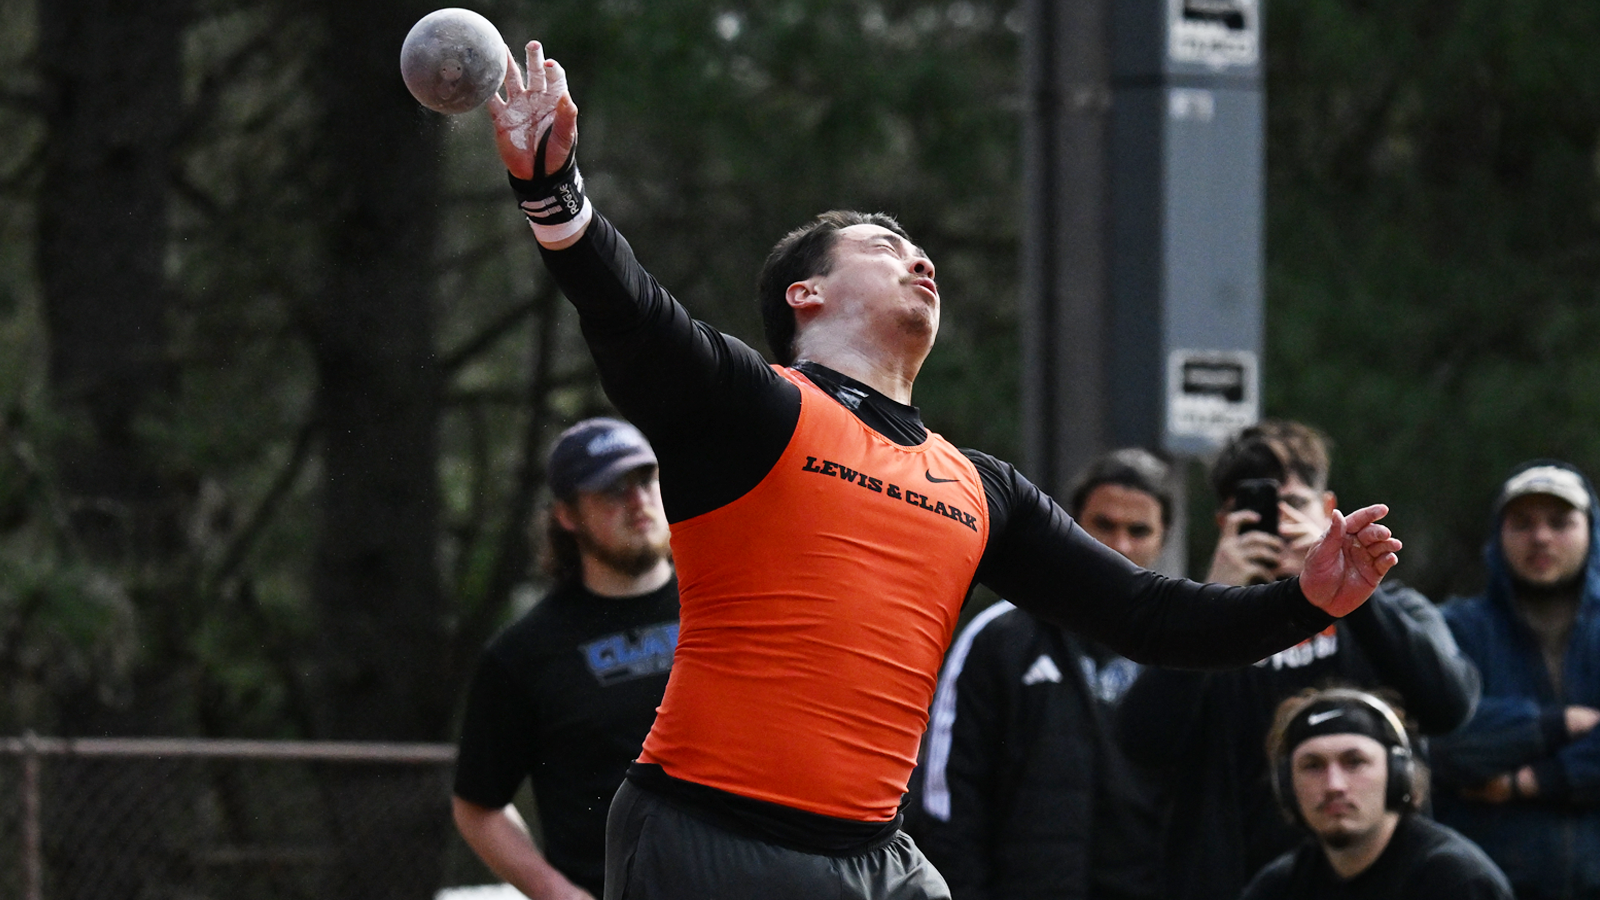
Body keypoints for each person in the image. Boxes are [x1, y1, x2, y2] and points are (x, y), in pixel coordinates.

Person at [480, 43, 1404, 900]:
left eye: (919, 249)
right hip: (714, 839)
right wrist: (552, 191)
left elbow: (1149, 615)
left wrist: (1305, 601)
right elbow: (631, 315)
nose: (918, 257)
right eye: (882, 247)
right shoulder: (754, 409)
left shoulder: (976, 485)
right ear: (806, 294)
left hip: (878, 858)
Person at [1115, 420, 1479, 900]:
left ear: (1328, 508)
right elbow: (1141, 741)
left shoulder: (1395, 611)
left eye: (1296, 505)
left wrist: (1351, 589)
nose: (1282, 524)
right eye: (1258, 512)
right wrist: (1213, 603)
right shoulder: (1199, 625)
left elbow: (1449, 708)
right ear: (1224, 524)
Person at [910, 448, 1174, 900]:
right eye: (1104, 525)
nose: (1121, 544)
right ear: (1071, 526)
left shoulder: (1182, 648)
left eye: (1139, 530)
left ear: (1163, 538)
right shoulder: (998, 638)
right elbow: (945, 796)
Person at [452, 418, 678, 900]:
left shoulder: (730, 604)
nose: (637, 500)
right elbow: (478, 807)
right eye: (612, 489)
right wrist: (555, 892)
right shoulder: (524, 653)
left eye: (644, 480)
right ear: (568, 516)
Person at [1429, 460, 1600, 900]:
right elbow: (1445, 738)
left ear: (1590, 530)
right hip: (1488, 884)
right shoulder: (1455, 629)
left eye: (1560, 522)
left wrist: (1531, 781)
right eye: (1522, 523)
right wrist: (1557, 724)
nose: (1540, 536)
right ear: (1498, 534)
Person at [1239, 687, 1512, 899]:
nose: (1334, 785)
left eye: (1354, 762)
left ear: (1398, 774)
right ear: (1287, 785)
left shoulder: (1455, 881)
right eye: (1313, 766)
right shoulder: (1279, 886)